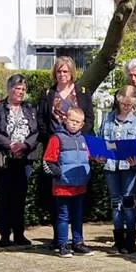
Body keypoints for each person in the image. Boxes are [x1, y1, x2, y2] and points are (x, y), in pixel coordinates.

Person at [37, 57, 95, 249]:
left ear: (72, 73)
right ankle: (59, 240)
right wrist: (53, 139)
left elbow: (89, 118)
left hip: (77, 149)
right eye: (59, 71)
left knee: (78, 203)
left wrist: (80, 139)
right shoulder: (49, 93)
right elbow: (42, 120)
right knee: (58, 200)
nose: (62, 75)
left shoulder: (82, 92)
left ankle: (77, 240)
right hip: (56, 148)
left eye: (66, 72)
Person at [0, 74, 38, 247]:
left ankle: (19, 234)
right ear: (9, 89)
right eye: (17, 88)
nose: (21, 92)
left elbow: (36, 132)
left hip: (24, 159)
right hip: (5, 159)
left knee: (20, 198)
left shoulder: (30, 108)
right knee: (5, 198)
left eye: (23, 89)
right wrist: (10, 144)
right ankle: (4, 235)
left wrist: (25, 146)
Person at [43, 107, 95, 258]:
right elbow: (48, 161)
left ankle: (78, 243)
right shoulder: (57, 138)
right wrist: (60, 175)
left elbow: (89, 158)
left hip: (80, 186)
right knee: (63, 216)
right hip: (62, 187)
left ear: (82, 124)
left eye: (77, 122)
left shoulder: (84, 140)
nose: (74, 124)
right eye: (71, 120)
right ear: (65, 120)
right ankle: (63, 244)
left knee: (78, 216)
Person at [100, 86, 136, 254]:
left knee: (128, 202)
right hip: (111, 165)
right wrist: (101, 154)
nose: (126, 107)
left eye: (129, 104)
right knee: (115, 202)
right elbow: (102, 141)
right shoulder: (108, 118)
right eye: (123, 104)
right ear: (118, 100)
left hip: (129, 165)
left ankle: (130, 241)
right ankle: (118, 240)